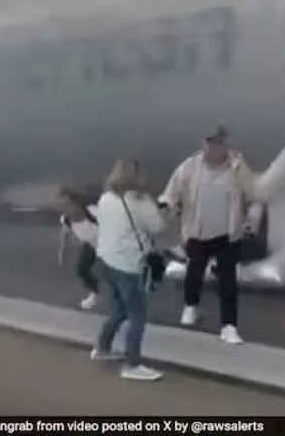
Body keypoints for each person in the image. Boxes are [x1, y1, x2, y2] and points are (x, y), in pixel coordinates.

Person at [158, 125, 260, 345]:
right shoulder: (189, 166)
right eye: (210, 143)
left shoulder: (238, 168)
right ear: (203, 144)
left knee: (228, 280)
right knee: (194, 271)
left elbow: (254, 197)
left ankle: (229, 326)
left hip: (227, 234)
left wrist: (251, 223)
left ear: (225, 144)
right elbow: (171, 192)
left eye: (219, 143)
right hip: (197, 231)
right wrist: (167, 205)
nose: (214, 148)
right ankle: (190, 307)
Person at [93, 158, 166, 381]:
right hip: (129, 265)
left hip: (107, 261)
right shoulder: (141, 202)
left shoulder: (106, 198)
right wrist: (165, 210)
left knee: (119, 308)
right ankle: (131, 364)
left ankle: (102, 348)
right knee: (137, 315)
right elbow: (158, 227)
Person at [57, 186, 101, 310]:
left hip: (109, 245)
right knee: (82, 269)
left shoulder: (92, 212)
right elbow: (65, 234)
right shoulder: (66, 219)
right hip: (92, 245)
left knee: (114, 274)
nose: (64, 208)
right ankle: (94, 294)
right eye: (61, 205)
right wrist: (62, 253)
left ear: (77, 203)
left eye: (67, 204)